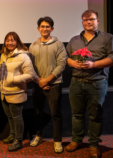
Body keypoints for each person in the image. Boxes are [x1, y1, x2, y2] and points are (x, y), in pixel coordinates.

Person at [65, 10, 113, 158]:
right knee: (76, 115)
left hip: (97, 83)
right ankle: (76, 140)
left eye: (92, 19)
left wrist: (93, 65)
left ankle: (94, 144)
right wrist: (73, 63)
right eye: (86, 20)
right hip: (76, 83)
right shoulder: (74, 40)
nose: (89, 22)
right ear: (82, 22)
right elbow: (66, 57)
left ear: (97, 21)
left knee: (95, 115)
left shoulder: (108, 38)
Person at [28, 16, 67, 153]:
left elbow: (62, 64)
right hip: (37, 84)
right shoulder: (32, 46)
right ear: (38, 29)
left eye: (47, 26)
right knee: (37, 112)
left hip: (54, 84)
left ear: (52, 28)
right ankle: (38, 135)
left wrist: (47, 80)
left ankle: (57, 141)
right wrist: (39, 81)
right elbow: (29, 66)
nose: (45, 29)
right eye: (42, 26)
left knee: (56, 113)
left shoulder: (59, 44)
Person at [0, 32, 36, 151]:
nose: (10, 43)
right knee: (9, 116)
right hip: (4, 92)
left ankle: (18, 140)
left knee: (17, 117)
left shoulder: (23, 56)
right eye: (7, 40)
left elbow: (31, 75)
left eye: (12, 40)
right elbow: (2, 70)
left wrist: (13, 79)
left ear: (17, 42)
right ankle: (12, 135)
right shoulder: (3, 55)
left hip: (16, 92)